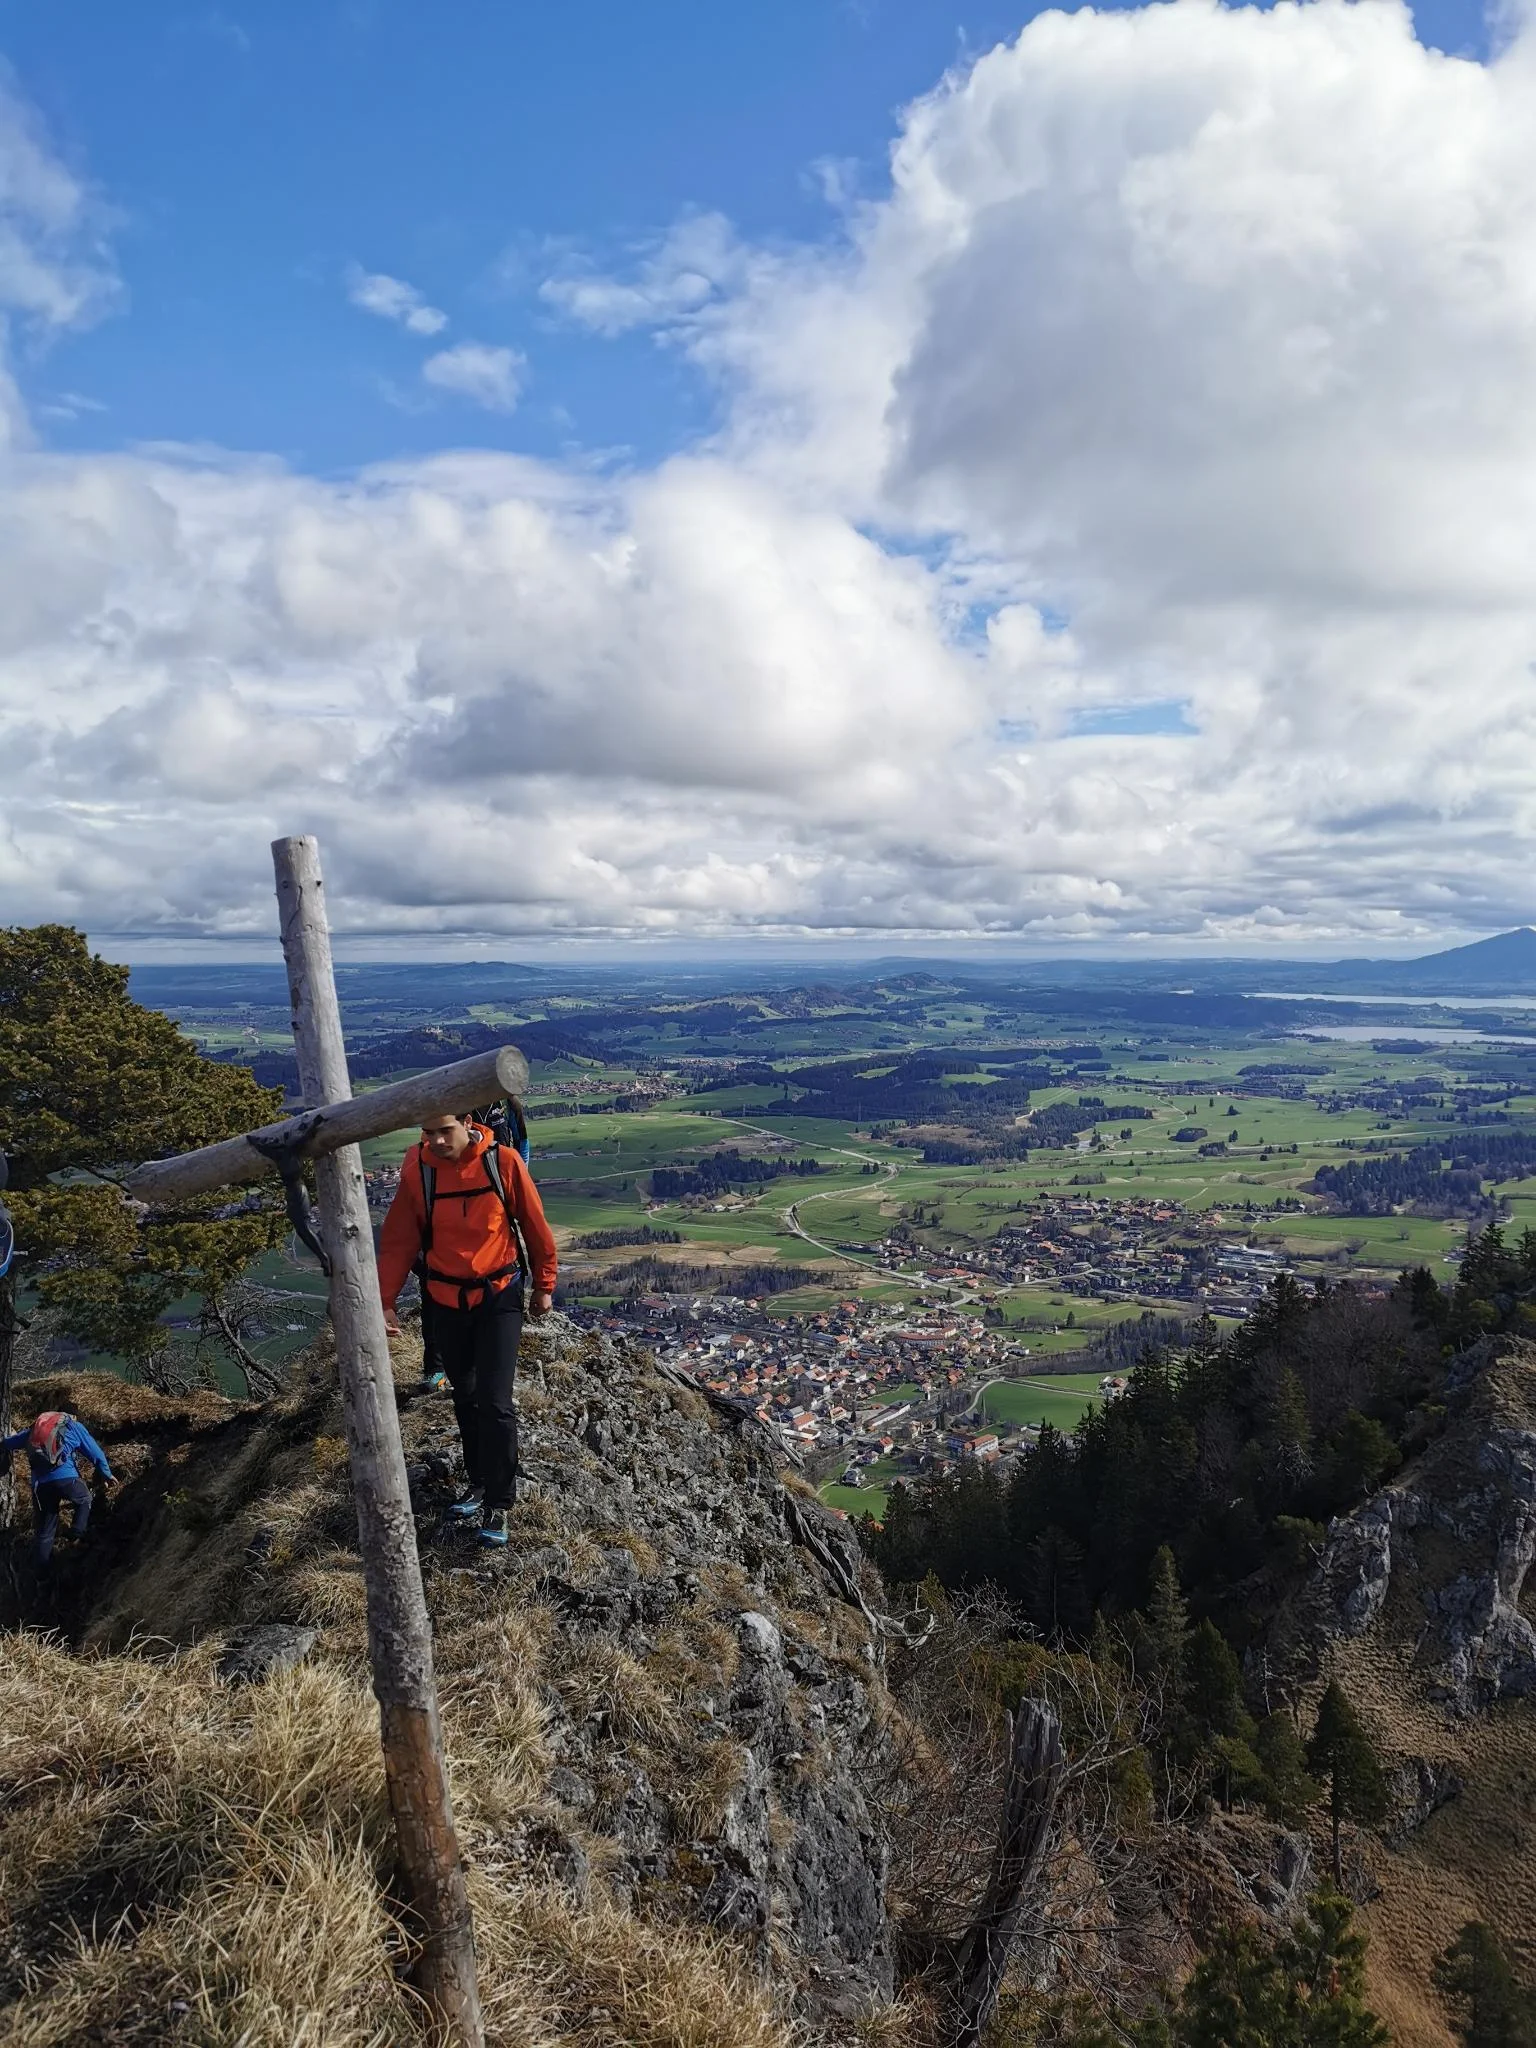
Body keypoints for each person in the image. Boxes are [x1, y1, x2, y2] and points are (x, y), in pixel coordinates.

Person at [378, 1110, 557, 1547]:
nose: (437, 1141)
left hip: (499, 1295)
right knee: (466, 1396)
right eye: (428, 1133)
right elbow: (400, 1238)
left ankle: (499, 1501)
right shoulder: (419, 1171)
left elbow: (534, 1225)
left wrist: (544, 1285)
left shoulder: (503, 1161)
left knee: (496, 1403)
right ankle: (477, 1482)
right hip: (446, 1301)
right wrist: (383, 1301)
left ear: (467, 1123)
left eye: (446, 1130)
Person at [1, 1410, 116, 1567]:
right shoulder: (74, 1426)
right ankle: (76, 1537)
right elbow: (96, 1454)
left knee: (44, 1533)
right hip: (67, 1479)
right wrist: (107, 1474)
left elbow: (7, 1443)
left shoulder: (33, 1431)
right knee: (84, 1499)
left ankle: (41, 1579)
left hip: (40, 1487)